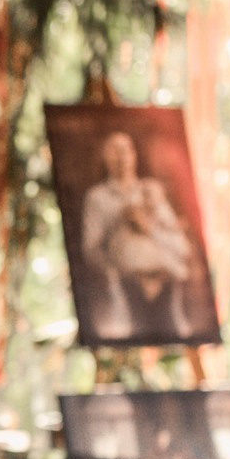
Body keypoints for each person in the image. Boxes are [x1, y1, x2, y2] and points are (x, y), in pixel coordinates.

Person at [77, 129, 200, 340]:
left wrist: (148, 227)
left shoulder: (151, 192)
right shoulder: (97, 199)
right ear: (104, 156)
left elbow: (181, 246)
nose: (121, 157)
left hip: (166, 288)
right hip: (125, 292)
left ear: (134, 154)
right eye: (114, 151)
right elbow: (92, 251)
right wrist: (129, 275)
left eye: (125, 150)